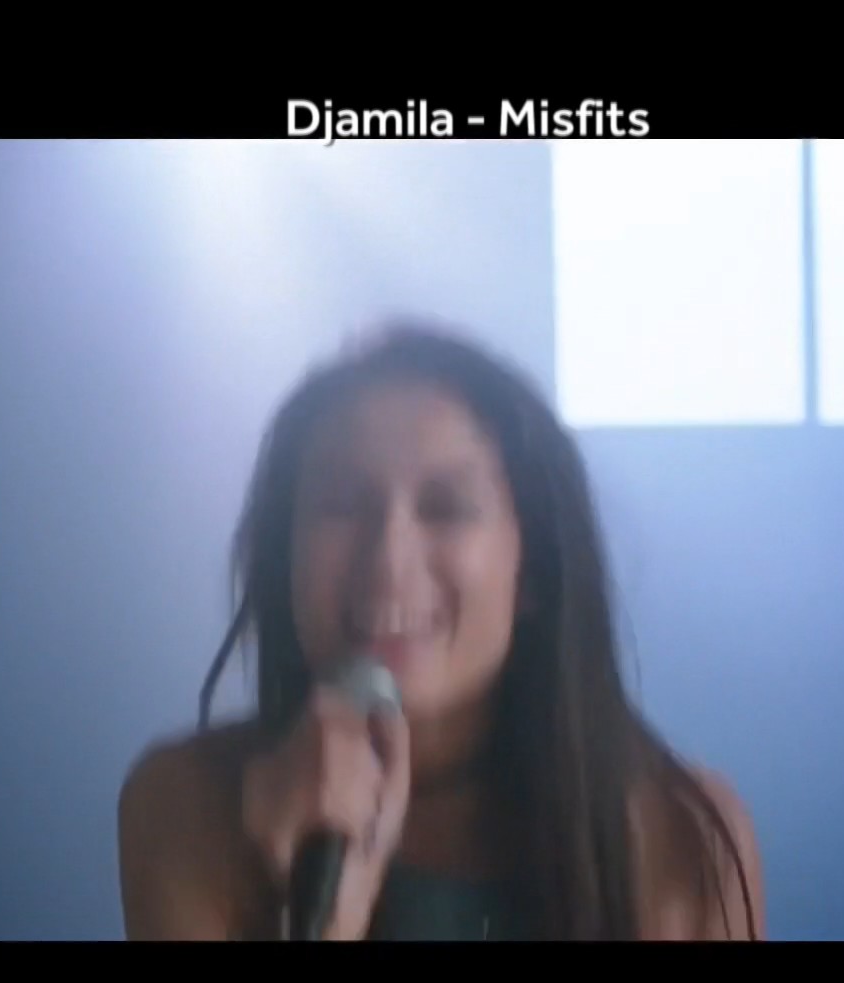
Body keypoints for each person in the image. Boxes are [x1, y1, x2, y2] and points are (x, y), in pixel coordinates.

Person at [117, 321, 763, 941]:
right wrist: (325, 916)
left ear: (533, 570)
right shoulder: (188, 807)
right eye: (342, 505)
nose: (389, 559)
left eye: (446, 508)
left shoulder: (682, 835)